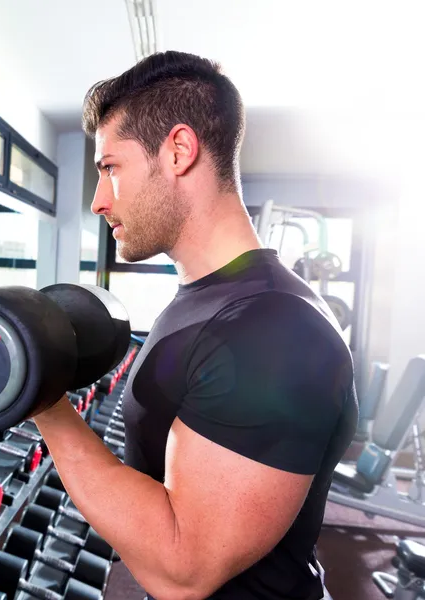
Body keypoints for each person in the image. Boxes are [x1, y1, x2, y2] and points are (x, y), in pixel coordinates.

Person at [33, 51, 358, 600]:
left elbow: (185, 568)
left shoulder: (272, 330)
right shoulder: (208, 301)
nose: (96, 201)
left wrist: (42, 398)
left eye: (110, 168)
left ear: (179, 151)